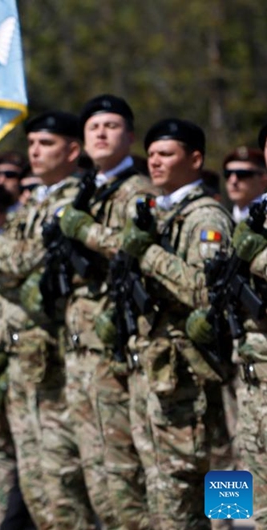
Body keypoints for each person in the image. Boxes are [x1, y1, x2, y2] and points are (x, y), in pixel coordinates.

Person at [0, 111, 94, 528]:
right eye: (32, 144)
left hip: (67, 361)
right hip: (30, 358)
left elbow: (22, 257)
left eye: (45, 143)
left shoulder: (76, 201)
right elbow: (17, 259)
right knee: (38, 485)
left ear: (73, 150)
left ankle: (232, 520)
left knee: (72, 483)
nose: (34, 152)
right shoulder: (38, 203)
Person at [121, 118, 233, 528]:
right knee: (167, 496)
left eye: (166, 154)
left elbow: (207, 291)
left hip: (201, 379)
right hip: (167, 376)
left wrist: (147, 254)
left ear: (196, 160)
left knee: (215, 480)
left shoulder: (206, 219)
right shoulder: (164, 214)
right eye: (150, 155)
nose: (155, 162)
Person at [57, 94, 154, 528]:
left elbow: (139, 251)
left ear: (130, 137)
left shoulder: (139, 191)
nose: (100, 132)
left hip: (123, 347)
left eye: (112, 126)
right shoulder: (85, 189)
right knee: (100, 475)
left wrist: (85, 230)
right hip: (84, 348)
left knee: (131, 472)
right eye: (93, 126)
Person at [205, 121, 267, 526]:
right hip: (236, 359)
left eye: (244, 175)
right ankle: (228, 523)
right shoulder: (232, 221)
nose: (234, 181)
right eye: (229, 174)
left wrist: (253, 258)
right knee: (230, 449)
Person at [223, 146, 267, 223]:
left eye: (242, 174)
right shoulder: (223, 218)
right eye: (228, 174)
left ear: (263, 180)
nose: (233, 181)